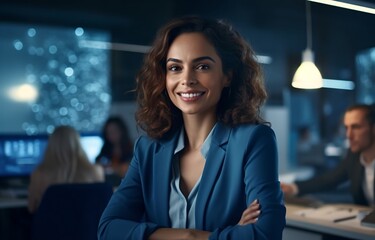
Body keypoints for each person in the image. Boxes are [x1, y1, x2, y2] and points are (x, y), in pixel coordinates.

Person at [98, 16, 285, 240]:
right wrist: (194, 236)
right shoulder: (148, 149)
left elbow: (265, 233)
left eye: (202, 66)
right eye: (175, 68)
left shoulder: (253, 140)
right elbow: (108, 229)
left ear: (227, 75)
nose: (187, 79)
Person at [281, 103, 375, 206]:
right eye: (346, 128)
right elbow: (329, 179)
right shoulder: (354, 156)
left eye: (356, 127)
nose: (348, 135)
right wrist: (293, 188)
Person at [28, 125, 105, 213]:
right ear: (78, 144)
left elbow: (31, 207)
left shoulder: (39, 174)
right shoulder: (95, 171)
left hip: (53, 225)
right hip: (87, 225)